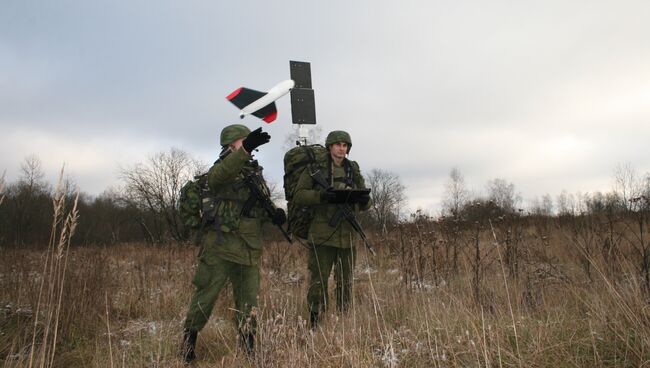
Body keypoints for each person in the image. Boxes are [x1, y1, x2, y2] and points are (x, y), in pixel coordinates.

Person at [181, 124, 286, 362]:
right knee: (205, 297)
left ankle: (248, 349)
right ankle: (188, 347)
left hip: (249, 248)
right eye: (243, 141)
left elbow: (259, 207)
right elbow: (220, 177)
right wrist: (245, 150)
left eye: (247, 142)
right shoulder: (221, 170)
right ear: (231, 145)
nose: (248, 145)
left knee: (248, 301)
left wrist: (274, 214)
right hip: (221, 246)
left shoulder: (253, 173)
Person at [292, 130, 371, 329]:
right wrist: (322, 197)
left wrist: (364, 200)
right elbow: (299, 195)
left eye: (345, 145)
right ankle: (315, 321)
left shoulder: (353, 168)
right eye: (337, 145)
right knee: (318, 279)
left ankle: (343, 321)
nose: (341, 148)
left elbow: (365, 202)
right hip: (322, 235)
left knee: (345, 281)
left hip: (348, 236)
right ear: (329, 147)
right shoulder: (315, 169)